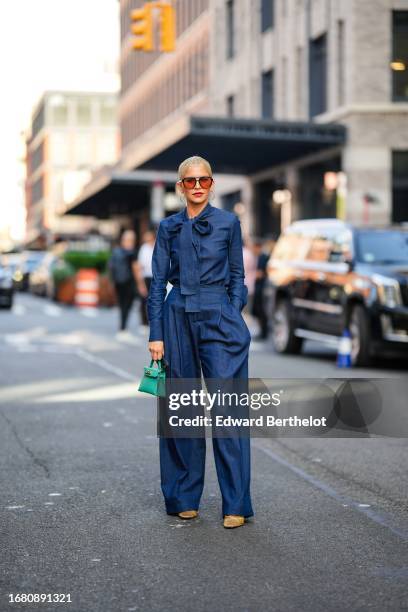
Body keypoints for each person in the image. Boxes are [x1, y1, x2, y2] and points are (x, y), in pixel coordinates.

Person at [147, 155, 253, 529]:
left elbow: (238, 275)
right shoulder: (168, 227)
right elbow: (158, 283)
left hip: (219, 316)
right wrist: (155, 333)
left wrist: (231, 310)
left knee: (227, 410)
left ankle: (236, 504)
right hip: (176, 318)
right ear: (180, 187)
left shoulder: (228, 222)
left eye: (203, 181)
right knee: (182, 409)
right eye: (189, 181)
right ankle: (183, 497)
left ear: (211, 184)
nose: (196, 186)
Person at [109, 229, 140, 338]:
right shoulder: (132, 252)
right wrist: (140, 284)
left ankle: (122, 327)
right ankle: (123, 328)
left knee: (122, 306)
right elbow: (136, 269)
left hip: (118, 282)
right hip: (129, 282)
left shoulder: (116, 251)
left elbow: (111, 267)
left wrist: (112, 281)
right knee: (127, 306)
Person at [250, 238, 271, 340]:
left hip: (262, 288)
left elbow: (262, 273)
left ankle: (264, 332)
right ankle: (262, 331)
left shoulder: (263, 257)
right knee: (257, 310)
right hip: (258, 287)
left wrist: (255, 275)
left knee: (261, 310)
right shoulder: (259, 257)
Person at [137, 230, 155, 331]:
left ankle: (153, 322)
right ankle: (144, 323)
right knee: (144, 300)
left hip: (156, 277)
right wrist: (141, 283)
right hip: (146, 277)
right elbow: (139, 266)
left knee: (155, 300)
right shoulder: (143, 249)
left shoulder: (158, 246)